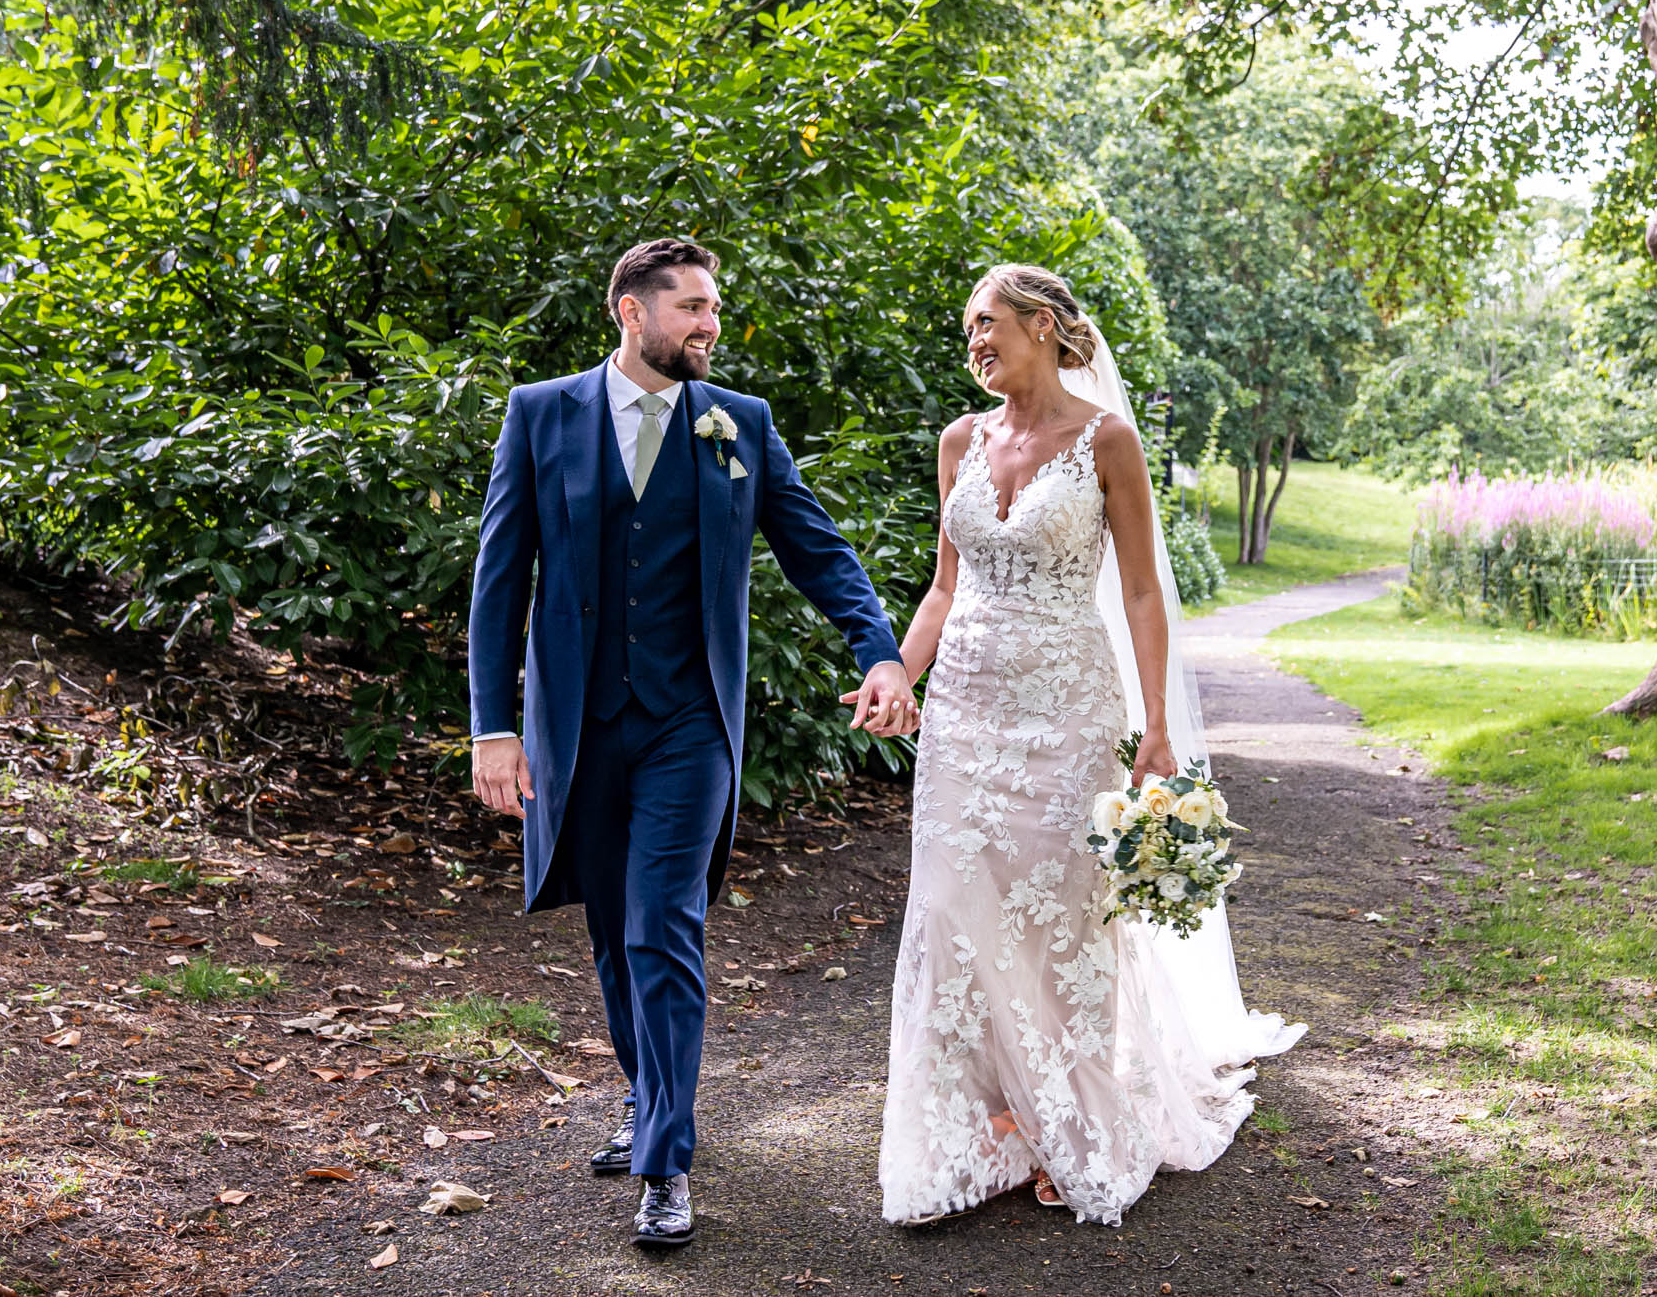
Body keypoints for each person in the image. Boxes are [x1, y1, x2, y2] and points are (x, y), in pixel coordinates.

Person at [467, 238, 916, 1247]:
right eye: (694, 308)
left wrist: (879, 650)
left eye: (713, 308)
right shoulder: (541, 414)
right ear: (632, 313)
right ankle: (646, 1101)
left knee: (661, 922)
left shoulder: (738, 425)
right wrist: (493, 728)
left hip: (689, 723)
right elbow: (499, 581)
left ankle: (666, 1160)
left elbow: (817, 549)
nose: (710, 324)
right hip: (575, 727)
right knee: (610, 932)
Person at [876, 264, 1304, 1227]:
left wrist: (1155, 723)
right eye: (969, 331)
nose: (976, 343)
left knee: (1064, 914)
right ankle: (985, 1117)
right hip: (967, 711)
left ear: (1043, 326)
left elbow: (1144, 591)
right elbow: (944, 588)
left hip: (1068, 710)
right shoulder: (960, 440)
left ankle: (1064, 1115)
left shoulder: (1108, 439)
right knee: (953, 909)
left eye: (988, 324)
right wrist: (899, 670)